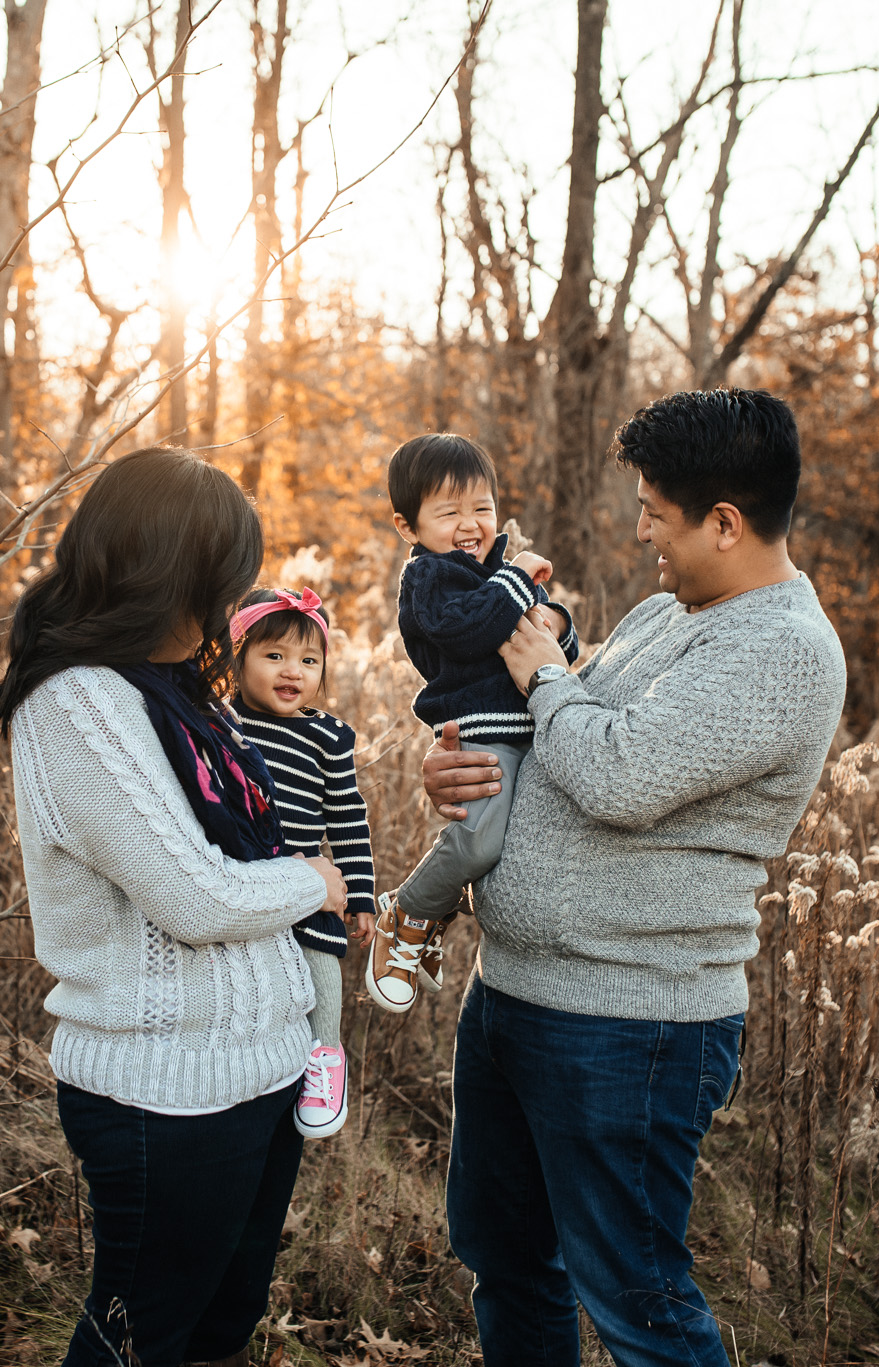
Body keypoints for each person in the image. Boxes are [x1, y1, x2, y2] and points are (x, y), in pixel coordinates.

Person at [426, 390, 846, 1367]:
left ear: (725, 523)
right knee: (508, 1260)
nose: (640, 526)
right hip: (517, 994)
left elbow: (620, 772)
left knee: (637, 1300)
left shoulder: (780, 648)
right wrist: (464, 765)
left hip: (629, 1021)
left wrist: (539, 674)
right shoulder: (669, 609)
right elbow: (562, 737)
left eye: (655, 508)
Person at [0, 448, 350, 1367]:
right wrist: (317, 883)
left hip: (256, 1071)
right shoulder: (80, 701)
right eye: (218, 583)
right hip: (165, 1091)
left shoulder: (181, 694)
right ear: (165, 573)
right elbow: (196, 894)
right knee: (142, 1338)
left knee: (220, 1328)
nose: (227, 608)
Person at [364, 434, 579, 1013]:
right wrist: (518, 580)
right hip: (480, 731)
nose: (470, 523)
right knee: (479, 843)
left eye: (481, 507)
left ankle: (429, 919)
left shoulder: (492, 576)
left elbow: (551, 647)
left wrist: (555, 620)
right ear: (408, 527)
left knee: (507, 845)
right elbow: (467, 630)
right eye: (449, 510)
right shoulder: (430, 578)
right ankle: (407, 911)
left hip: (528, 731)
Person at [226, 587, 377, 1140]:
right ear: (237, 657)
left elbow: (348, 819)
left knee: (318, 958)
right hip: (243, 878)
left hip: (309, 883)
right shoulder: (219, 722)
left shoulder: (329, 737)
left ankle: (326, 1055)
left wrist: (360, 895)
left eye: (309, 661)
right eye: (275, 656)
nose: (293, 672)